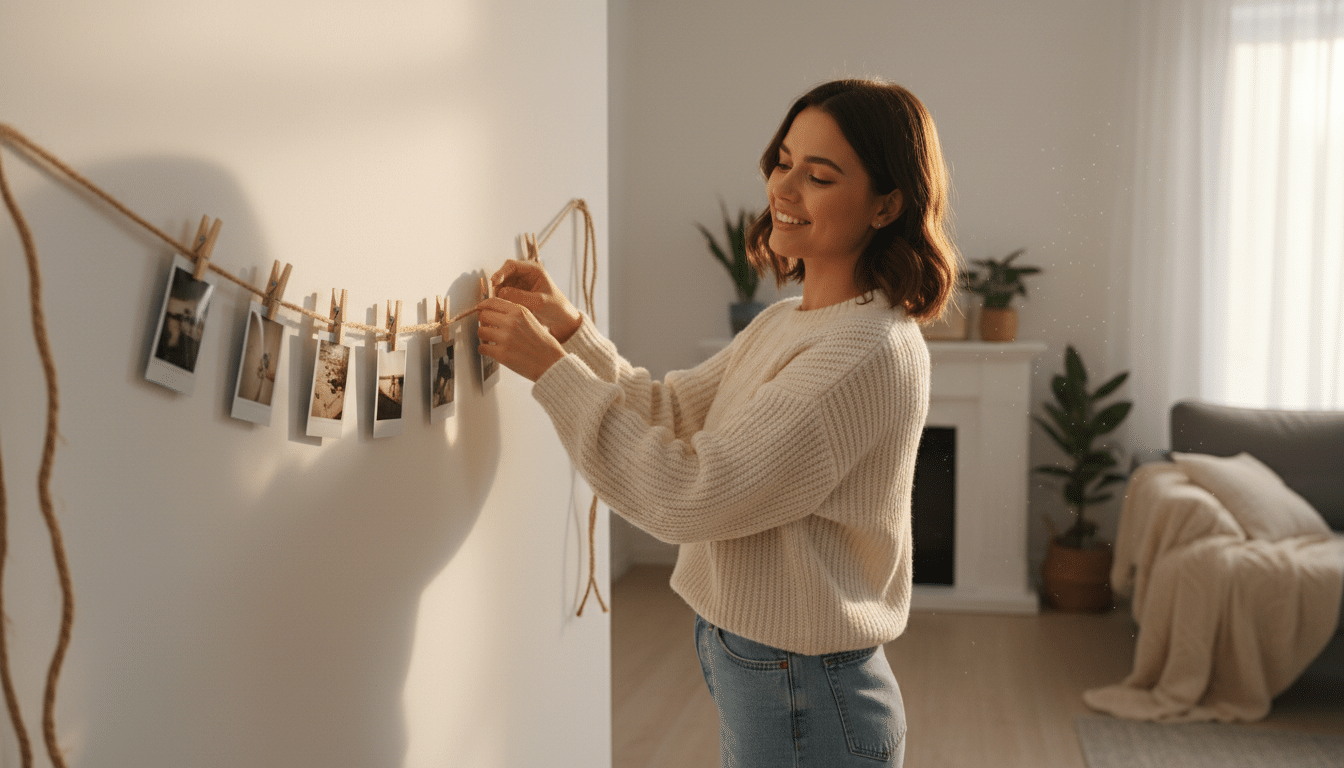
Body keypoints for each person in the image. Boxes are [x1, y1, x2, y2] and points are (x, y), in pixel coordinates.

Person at [477, 78, 957, 767]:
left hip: (805, 689)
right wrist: (570, 333)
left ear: (888, 203)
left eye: (819, 176)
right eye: (783, 162)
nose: (785, 190)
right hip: (775, 673)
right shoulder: (791, 321)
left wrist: (552, 374)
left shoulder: (861, 355)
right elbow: (670, 412)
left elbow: (691, 493)